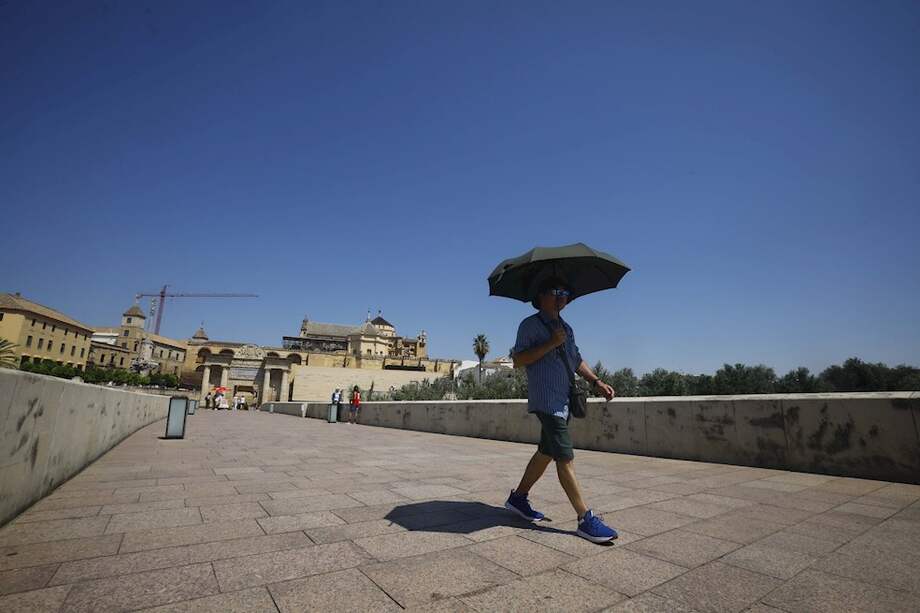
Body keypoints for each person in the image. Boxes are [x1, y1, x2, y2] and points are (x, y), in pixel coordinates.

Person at [505, 277, 619, 544]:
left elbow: (576, 359)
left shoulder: (566, 328)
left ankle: (518, 498)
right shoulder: (530, 325)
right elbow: (518, 360)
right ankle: (585, 519)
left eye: (565, 292)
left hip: (564, 399)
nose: (562, 297)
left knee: (546, 452)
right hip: (546, 401)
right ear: (541, 295)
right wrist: (550, 343)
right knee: (564, 456)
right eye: (556, 292)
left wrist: (596, 381)